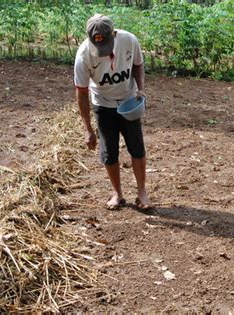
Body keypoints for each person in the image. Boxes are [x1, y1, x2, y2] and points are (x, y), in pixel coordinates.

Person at [74, 14, 152, 210]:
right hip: (103, 104)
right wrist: (88, 130)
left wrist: (141, 89)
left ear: (114, 33)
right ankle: (117, 193)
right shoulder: (83, 55)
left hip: (129, 100)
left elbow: (137, 65)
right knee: (109, 152)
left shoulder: (129, 40)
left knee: (137, 147)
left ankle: (142, 192)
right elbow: (81, 93)